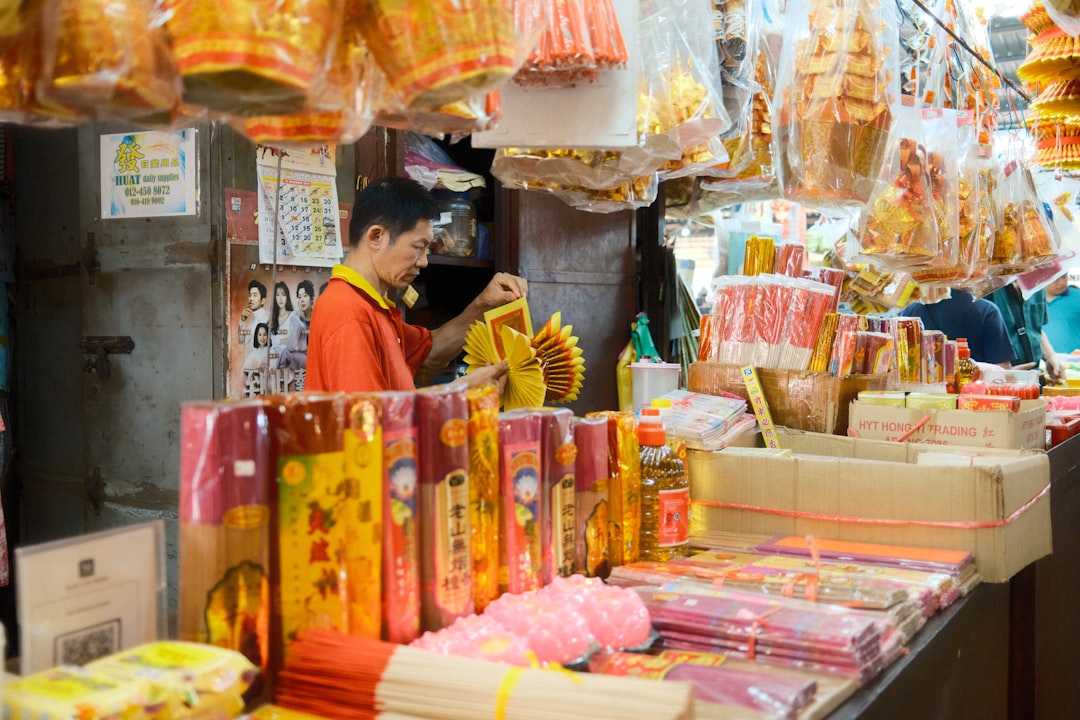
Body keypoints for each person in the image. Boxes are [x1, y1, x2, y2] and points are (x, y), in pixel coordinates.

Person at [306, 176, 525, 393]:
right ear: (376, 236)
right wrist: (461, 392)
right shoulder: (349, 312)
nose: (424, 261)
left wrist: (483, 303)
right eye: (418, 247)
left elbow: (432, 351)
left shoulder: (370, 305)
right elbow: (369, 420)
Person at [900, 288, 1013, 366]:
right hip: (972, 396)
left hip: (919, 395)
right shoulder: (987, 311)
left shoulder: (910, 310)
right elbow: (1002, 371)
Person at [988, 281, 1067, 384]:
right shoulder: (986, 289)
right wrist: (999, 373)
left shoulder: (1038, 286)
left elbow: (1035, 328)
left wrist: (1051, 357)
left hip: (1034, 378)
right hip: (1000, 382)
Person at [271, 281, 308, 372]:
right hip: (275, 358)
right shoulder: (272, 320)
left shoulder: (293, 316)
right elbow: (271, 344)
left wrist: (284, 342)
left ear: (287, 296)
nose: (280, 298)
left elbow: (295, 342)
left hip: (290, 360)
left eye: (283, 295)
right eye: (278, 295)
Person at [1044, 273, 1080, 355]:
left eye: (1064, 277)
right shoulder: (1029, 299)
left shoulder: (1077, 296)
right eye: (1055, 278)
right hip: (1038, 362)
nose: (1061, 283)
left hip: (1074, 361)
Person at [238, 279, 269, 351]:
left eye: (255, 295)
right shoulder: (252, 320)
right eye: (250, 295)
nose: (251, 299)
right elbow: (241, 340)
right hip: (248, 361)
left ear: (262, 301)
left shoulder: (265, 320)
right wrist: (242, 321)